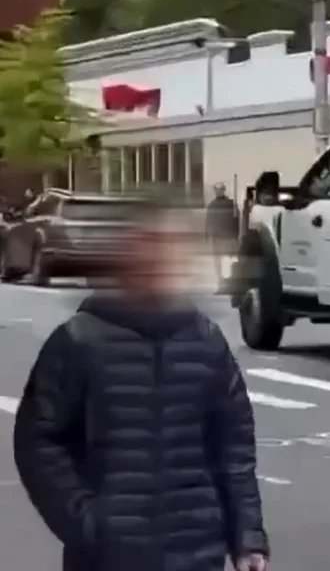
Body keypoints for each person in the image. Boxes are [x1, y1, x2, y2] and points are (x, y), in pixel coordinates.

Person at [13, 199, 270, 571]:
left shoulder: (206, 342)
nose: (159, 260)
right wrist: (85, 521)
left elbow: (233, 447)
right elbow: (38, 440)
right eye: (148, 246)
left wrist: (247, 539)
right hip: (107, 558)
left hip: (196, 553)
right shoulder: (80, 341)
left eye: (170, 248)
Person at [206, 184, 239, 282]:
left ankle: (230, 280)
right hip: (218, 238)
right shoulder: (211, 205)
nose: (218, 191)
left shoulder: (231, 204)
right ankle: (221, 280)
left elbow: (236, 220)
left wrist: (236, 236)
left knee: (229, 259)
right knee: (218, 260)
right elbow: (209, 222)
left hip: (229, 237)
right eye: (217, 189)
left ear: (224, 190)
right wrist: (207, 235)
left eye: (220, 189)